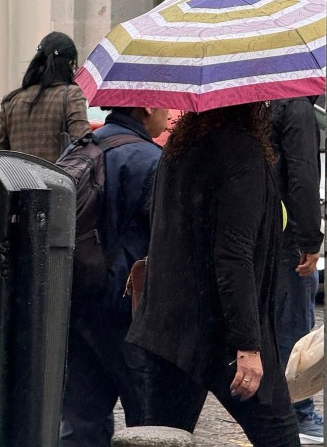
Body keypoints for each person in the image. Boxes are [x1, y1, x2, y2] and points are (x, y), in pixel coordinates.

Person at [125, 103, 300, 447]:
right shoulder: (241, 153)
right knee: (279, 436)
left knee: (162, 437)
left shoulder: (178, 150)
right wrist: (248, 346)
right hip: (221, 332)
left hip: (170, 329)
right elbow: (234, 256)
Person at [60, 106, 169, 447]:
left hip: (79, 298)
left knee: (81, 417)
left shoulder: (81, 147)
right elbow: (167, 237)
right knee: (150, 422)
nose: (168, 115)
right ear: (146, 107)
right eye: (164, 105)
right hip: (128, 310)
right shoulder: (151, 159)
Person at [269, 97, 324, 445]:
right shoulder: (297, 108)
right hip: (288, 236)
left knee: (272, 323)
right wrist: (310, 240)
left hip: (259, 228)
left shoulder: (260, 101)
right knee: (294, 326)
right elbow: (303, 175)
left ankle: (279, 408)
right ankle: (297, 411)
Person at [0, 31, 90, 163]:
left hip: (19, 176)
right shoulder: (72, 95)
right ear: (69, 63)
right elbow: (82, 143)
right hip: (58, 175)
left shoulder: (11, 99)